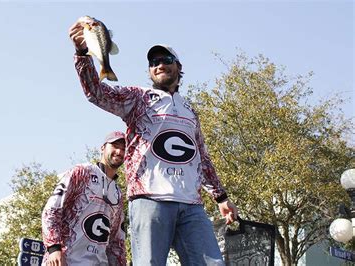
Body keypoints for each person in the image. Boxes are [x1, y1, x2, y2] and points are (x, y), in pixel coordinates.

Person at [69, 19, 239, 266]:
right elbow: (95, 93)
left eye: (166, 60)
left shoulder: (190, 111)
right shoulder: (138, 98)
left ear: (178, 67)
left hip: (191, 204)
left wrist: (221, 197)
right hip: (150, 199)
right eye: (153, 62)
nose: (159, 65)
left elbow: (201, 156)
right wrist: (82, 54)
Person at [41, 131, 127, 266]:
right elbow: (52, 209)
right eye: (115, 146)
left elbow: (116, 241)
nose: (119, 152)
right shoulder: (82, 172)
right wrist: (54, 248)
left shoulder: (118, 193)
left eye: (123, 149)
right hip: (66, 260)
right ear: (103, 147)